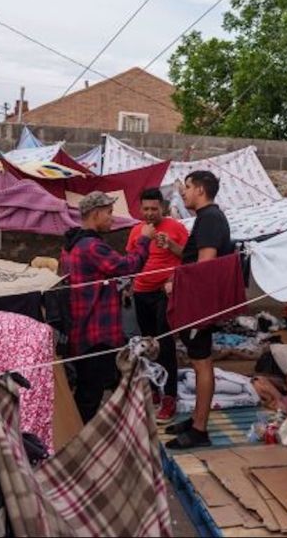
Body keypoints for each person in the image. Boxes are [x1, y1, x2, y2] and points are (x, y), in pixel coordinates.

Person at [65, 191, 154, 423]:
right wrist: (144, 239)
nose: (112, 218)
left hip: (85, 329)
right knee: (90, 394)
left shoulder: (74, 244)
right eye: (109, 212)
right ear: (95, 214)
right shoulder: (91, 246)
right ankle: (80, 443)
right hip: (96, 332)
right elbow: (127, 266)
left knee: (90, 390)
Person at [164, 170, 236, 450]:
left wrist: (176, 285)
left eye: (189, 186)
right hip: (198, 303)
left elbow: (205, 266)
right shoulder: (207, 219)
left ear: (201, 191)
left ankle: (199, 429)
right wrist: (172, 247)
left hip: (199, 306)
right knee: (197, 362)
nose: (184, 192)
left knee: (201, 363)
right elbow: (194, 256)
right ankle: (196, 419)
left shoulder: (210, 219)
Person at [127, 188, 190, 423]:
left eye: (154, 209)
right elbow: (131, 261)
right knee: (146, 343)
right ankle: (153, 390)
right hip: (141, 291)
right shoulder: (136, 231)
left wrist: (172, 246)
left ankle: (170, 396)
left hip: (165, 291)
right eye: (146, 209)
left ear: (162, 207)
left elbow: (190, 257)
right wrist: (129, 286)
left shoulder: (176, 227)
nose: (150, 213)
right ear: (140, 209)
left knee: (164, 342)